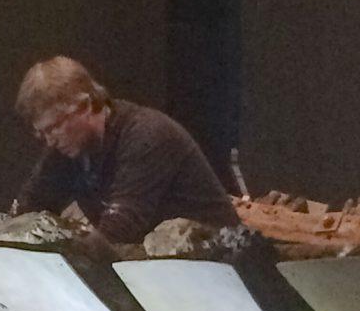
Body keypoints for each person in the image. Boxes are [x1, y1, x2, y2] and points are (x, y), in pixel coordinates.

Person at [13, 55, 239, 248]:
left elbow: (119, 233)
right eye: (42, 134)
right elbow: (28, 209)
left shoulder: (146, 136)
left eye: (54, 127)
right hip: (167, 268)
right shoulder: (69, 147)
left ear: (85, 105)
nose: (50, 141)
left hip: (217, 269)